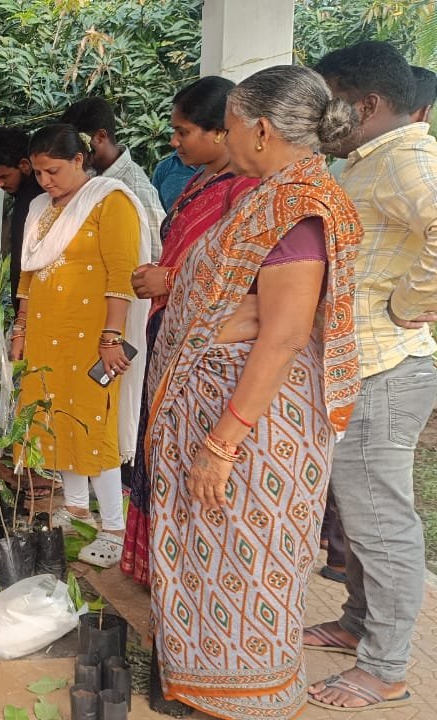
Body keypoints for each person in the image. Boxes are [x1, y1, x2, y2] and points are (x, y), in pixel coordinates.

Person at [147, 65, 362, 719]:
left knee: (244, 568)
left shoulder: (298, 211)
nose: (227, 135)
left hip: (252, 430)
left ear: (261, 130)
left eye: (233, 124)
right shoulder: (268, 195)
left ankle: (250, 700)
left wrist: (220, 443)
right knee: (209, 557)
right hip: (228, 413)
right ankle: (207, 686)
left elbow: (284, 335)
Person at [302, 41, 437, 713]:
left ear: (367, 104)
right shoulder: (370, 159)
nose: (323, 116)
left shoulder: (408, 155)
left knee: (381, 521)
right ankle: (357, 620)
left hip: (384, 368)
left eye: (330, 101)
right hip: (358, 366)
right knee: (357, 513)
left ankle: (385, 668)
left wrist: (409, 304)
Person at [123, 76, 260, 587]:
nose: (175, 143)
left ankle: (191, 570)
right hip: (171, 325)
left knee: (186, 450)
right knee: (158, 442)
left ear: (223, 133)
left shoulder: (247, 190)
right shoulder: (199, 180)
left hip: (209, 344)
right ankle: (157, 561)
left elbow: (246, 274)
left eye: (184, 132)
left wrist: (170, 279)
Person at [10, 123, 150, 569]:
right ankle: (74, 511)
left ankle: (112, 527)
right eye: (38, 172)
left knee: (94, 426)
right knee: (55, 420)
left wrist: (112, 337)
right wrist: (20, 329)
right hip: (45, 338)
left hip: (93, 337)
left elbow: (121, 276)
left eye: (53, 170)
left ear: (78, 160)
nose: (45, 180)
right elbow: (28, 275)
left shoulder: (111, 202)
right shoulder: (38, 208)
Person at [61, 97, 167, 259]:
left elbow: (159, 252)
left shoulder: (134, 185)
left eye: (79, 146)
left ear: (100, 137)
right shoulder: (87, 175)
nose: (75, 154)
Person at [0, 125, 43, 300]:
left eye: (3, 177)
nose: (0, 185)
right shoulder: (24, 196)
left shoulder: (34, 200)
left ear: (25, 165)